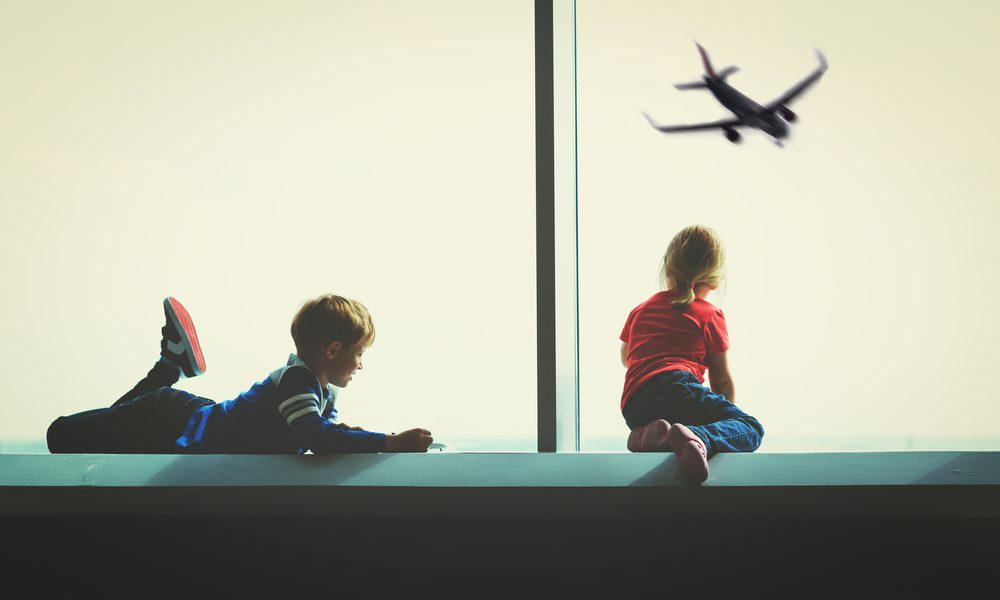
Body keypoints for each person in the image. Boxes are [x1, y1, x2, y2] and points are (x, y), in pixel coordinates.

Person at [47, 295, 433, 454]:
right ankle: (169, 365)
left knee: (94, 436)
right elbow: (315, 436)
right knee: (62, 437)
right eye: (360, 354)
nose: (361, 365)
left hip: (191, 418)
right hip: (171, 420)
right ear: (333, 350)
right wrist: (389, 442)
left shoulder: (322, 391)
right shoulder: (297, 381)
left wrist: (354, 434)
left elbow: (324, 432)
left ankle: (171, 363)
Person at [620, 225, 763, 483]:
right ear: (715, 279)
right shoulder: (709, 315)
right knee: (751, 429)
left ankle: (655, 436)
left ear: (668, 268)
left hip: (634, 405)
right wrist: (719, 414)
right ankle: (700, 437)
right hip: (677, 388)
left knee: (673, 432)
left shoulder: (640, 310)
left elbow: (626, 357)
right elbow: (721, 380)